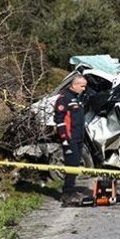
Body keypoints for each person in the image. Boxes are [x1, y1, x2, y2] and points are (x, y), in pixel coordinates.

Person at [53, 73, 88, 206]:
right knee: (71, 165)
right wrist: (64, 139)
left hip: (78, 138)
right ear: (74, 85)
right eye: (82, 86)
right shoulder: (64, 99)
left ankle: (71, 190)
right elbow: (60, 121)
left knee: (75, 165)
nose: (84, 89)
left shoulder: (77, 98)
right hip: (70, 139)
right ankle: (67, 193)